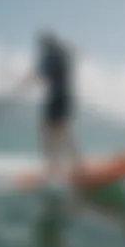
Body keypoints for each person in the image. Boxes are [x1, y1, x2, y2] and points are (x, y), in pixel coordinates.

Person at [18, 29, 82, 191]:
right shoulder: (64, 54)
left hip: (55, 99)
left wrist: (24, 82)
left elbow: (38, 74)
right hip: (68, 98)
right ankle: (77, 164)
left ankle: (53, 168)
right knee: (63, 131)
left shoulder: (49, 56)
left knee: (47, 132)